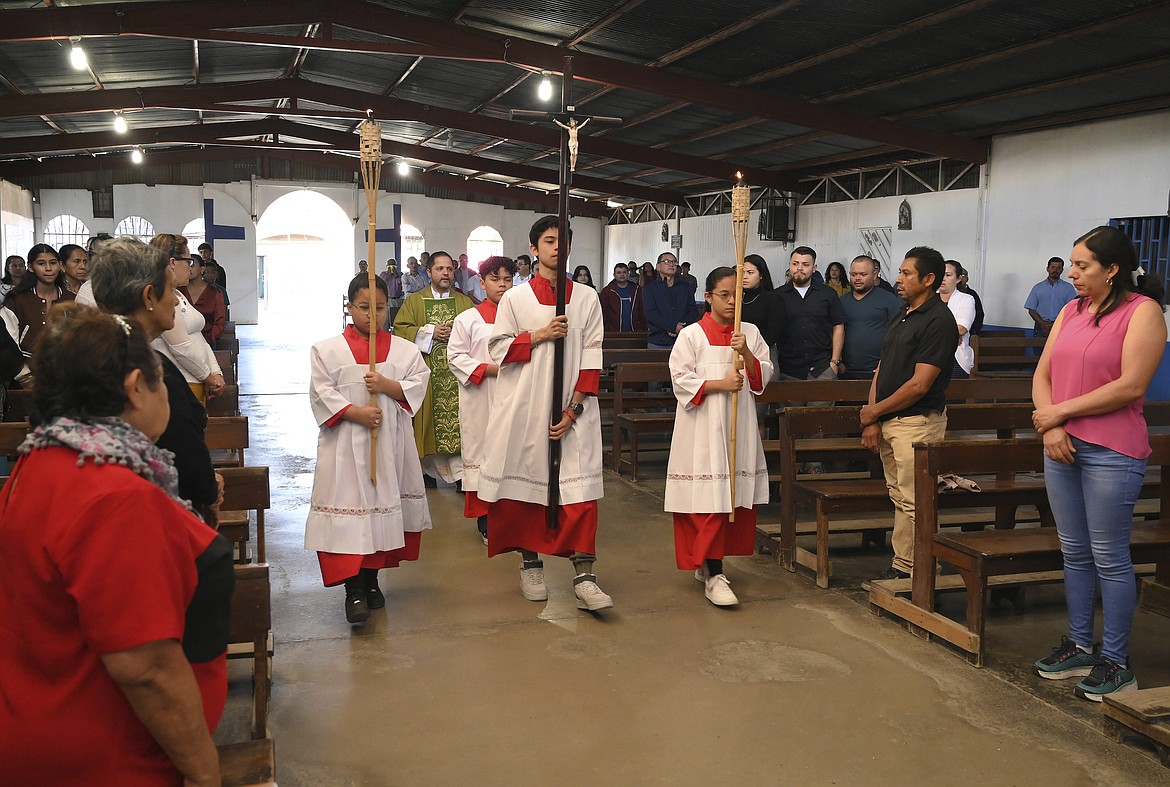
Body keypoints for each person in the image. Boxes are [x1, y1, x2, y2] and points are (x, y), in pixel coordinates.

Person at [0, 306, 233, 786]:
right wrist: (203, 771)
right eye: (161, 380)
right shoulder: (114, 496)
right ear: (134, 387)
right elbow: (146, 666)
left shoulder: (42, 460)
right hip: (113, 754)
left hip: (45, 723)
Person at [1030, 226, 1166, 701]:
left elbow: (1131, 386)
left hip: (1112, 450)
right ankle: (1082, 644)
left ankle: (1116, 661)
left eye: (1083, 266)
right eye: (1072, 264)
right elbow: (1043, 373)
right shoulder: (1070, 310)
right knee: (1074, 551)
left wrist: (1060, 414)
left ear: (1112, 270)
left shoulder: (1143, 313)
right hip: (1061, 446)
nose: (1073, 273)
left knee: (1109, 556)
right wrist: (1050, 427)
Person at [478, 215, 612, 612]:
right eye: (549, 241)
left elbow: (592, 357)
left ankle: (584, 577)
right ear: (534, 249)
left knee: (579, 493)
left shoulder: (587, 297)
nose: (557, 247)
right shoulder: (516, 299)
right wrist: (539, 335)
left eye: (563, 241)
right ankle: (530, 562)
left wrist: (574, 409)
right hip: (524, 406)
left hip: (573, 409)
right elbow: (497, 349)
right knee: (526, 487)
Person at [306, 274, 432, 624]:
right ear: (349, 307)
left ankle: (373, 582)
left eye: (379, 308)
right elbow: (320, 392)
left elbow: (418, 385)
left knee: (380, 512)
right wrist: (356, 412)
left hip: (388, 446)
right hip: (344, 447)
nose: (372, 316)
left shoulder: (405, 351)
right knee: (350, 516)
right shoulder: (326, 349)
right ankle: (353, 589)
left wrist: (389, 385)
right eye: (363, 308)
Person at [90, 237, 223, 526]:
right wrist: (209, 487)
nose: (176, 299)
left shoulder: (93, 353)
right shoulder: (145, 371)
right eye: (170, 289)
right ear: (149, 297)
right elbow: (181, 453)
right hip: (155, 519)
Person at [666, 267, 772, 607]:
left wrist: (747, 354)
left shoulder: (750, 333)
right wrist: (719, 385)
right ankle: (713, 573)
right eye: (723, 295)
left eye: (735, 296)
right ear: (708, 297)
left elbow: (762, 379)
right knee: (708, 503)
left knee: (730, 501)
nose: (730, 302)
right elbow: (680, 379)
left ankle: (710, 566)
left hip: (737, 429)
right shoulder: (692, 335)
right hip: (701, 429)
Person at [860, 247, 958, 581]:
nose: (898, 279)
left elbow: (920, 385)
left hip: (917, 422)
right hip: (890, 420)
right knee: (900, 496)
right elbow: (882, 367)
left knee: (917, 502)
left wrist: (875, 410)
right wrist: (872, 417)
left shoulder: (939, 321)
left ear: (929, 280)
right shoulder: (902, 313)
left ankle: (927, 571)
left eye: (906, 274)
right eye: (899, 272)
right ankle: (905, 566)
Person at [448, 256, 516, 544]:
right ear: (481, 282)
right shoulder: (469, 318)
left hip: (513, 395)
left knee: (511, 455)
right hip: (480, 396)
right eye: (495, 279)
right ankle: (486, 521)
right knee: (483, 455)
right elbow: (455, 357)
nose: (502, 285)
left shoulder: (520, 317)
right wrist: (493, 370)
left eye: (507, 279)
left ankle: (512, 519)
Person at [393, 251, 475, 485]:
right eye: (440, 269)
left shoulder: (464, 302)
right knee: (427, 424)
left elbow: (477, 334)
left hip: (459, 378)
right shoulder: (415, 301)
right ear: (428, 272)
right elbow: (400, 330)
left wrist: (458, 336)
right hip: (429, 376)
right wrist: (429, 332)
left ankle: (463, 477)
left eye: (449, 269)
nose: (446, 273)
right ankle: (425, 474)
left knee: (462, 424)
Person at [149, 234, 225, 405]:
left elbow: (199, 338)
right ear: (173, 262)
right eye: (188, 262)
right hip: (179, 381)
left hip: (195, 380)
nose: (191, 269)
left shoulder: (177, 293)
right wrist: (208, 376)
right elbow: (180, 347)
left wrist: (216, 372)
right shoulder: (161, 296)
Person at [774, 246, 844, 381]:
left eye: (805, 264)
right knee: (789, 403)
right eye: (795, 264)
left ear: (814, 267)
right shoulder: (777, 296)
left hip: (822, 368)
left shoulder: (828, 294)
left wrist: (834, 362)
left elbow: (838, 326)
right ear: (790, 266)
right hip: (788, 370)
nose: (799, 268)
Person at [3, 243, 76, 358]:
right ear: (31, 267)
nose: (48, 268)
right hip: (24, 366)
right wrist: (22, 370)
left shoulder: (71, 299)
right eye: (41, 263)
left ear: (60, 265)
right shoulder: (16, 300)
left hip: (63, 366)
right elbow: (8, 342)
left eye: (53, 263)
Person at [839, 255, 902, 380]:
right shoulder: (841, 302)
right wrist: (837, 361)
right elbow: (834, 332)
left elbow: (898, 335)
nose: (857, 278)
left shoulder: (889, 300)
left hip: (879, 371)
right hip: (846, 371)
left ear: (874, 275)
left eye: (863, 274)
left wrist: (887, 363)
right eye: (854, 274)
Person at [738, 254, 786, 367]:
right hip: (736, 352)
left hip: (764, 352)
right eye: (742, 273)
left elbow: (774, 333)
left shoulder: (773, 299)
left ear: (761, 275)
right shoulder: (735, 298)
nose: (744, 277)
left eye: (750, 273)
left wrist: (749, 348)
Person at [643, 252, 698, 349]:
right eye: (667, 261)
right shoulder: (650, 289)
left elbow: (693, 310)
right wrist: (672, 327)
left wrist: (680, 327)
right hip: (658, 341)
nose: (671, 264)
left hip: (683, 339)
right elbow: (651, 313)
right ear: (658, 267)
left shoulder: (686, 286)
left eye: (674, 262)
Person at [939, 260, 976, 379]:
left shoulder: (966, 299)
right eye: (940, 274)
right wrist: (950, 335)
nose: (943, 278)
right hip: (928, 355)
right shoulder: (927, 299)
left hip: (955, 358)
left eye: (948, 275)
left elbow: (961, 328)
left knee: (954, 394)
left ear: (959, 278)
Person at [1025, 256, 1077, 337]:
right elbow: (1031, 310)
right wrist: (1043, 324)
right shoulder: (1038, 288)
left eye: (1058, 268)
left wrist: (1055, 324)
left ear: (1062, 270)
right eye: (1053, 267)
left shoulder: (1068, 288)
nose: (1055, 270)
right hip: (1040, 328)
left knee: (1060, 350)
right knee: (1039, 349)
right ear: (1047, 269)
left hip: (1061, 327)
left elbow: (1072, 310)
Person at [180, 254, 227, 345]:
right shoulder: (179, 291)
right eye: (186, 265)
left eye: (192, 265)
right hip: (181, 343)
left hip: (207, 342)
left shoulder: (215, 293)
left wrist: (210, 338)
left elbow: (219, 322)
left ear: (202, 269)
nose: (189, 268)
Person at [599, 262, 647, 333]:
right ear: (614, 275)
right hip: (613, 333)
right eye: (618, 272)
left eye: (624, 272)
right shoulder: (607, 291)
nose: (622, 274)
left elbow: (642, 310)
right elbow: (603, 312)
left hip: (634, 332)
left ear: (628, 274)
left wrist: (642, 328)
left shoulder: (637, 290)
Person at [957, 264, 984, 336]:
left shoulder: (971, 294)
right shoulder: (948, 293)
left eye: (963, 276)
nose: (961, 279)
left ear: (967, 278)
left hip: (969, 332)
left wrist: (974, 330)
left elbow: (979, 313)